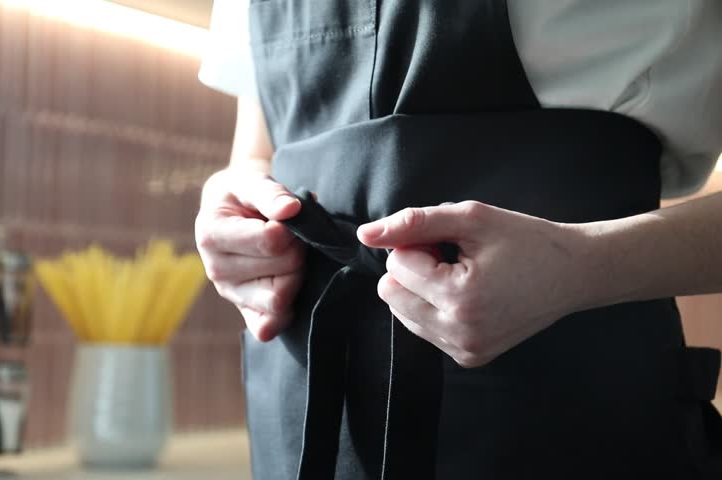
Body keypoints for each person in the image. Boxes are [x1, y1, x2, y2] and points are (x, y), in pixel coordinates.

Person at [194, 0, 722, 478]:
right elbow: (256, 150)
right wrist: (229, 203)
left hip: (571, 398)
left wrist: (586, 264)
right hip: (306, 406)